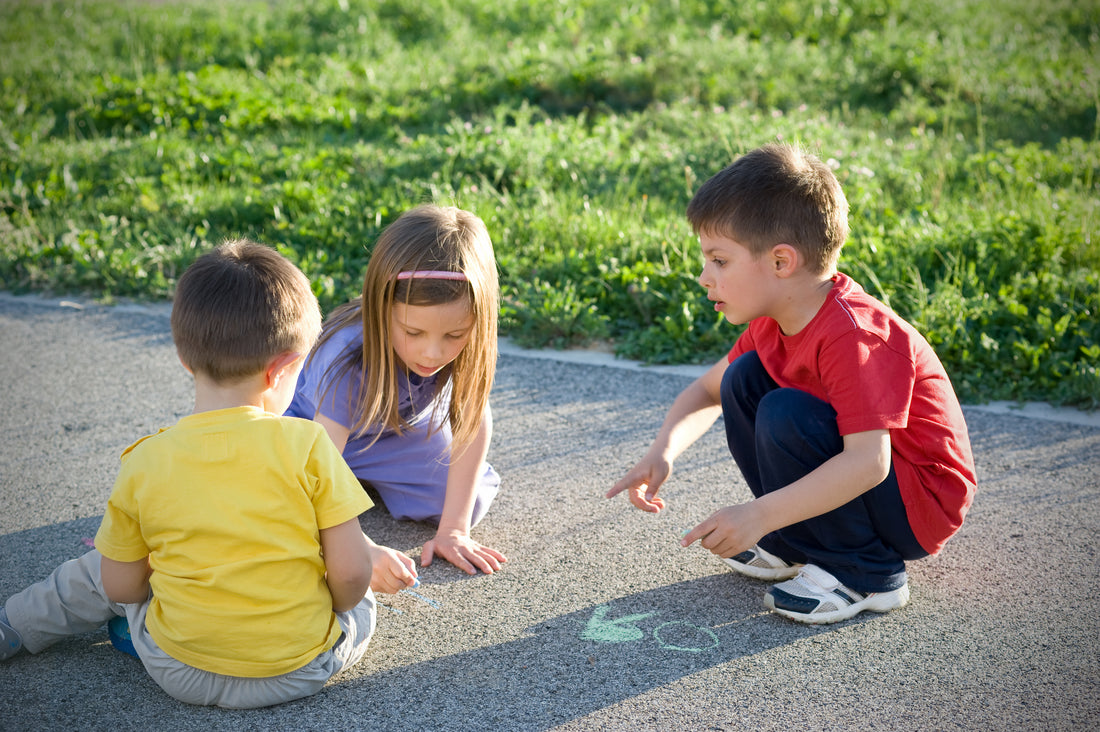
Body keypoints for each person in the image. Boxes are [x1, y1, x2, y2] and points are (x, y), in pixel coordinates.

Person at [0, 240, 417, 707]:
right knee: (358, 598)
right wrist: (330, 603)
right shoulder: (309, 445)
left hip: (177, 669)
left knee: (102, 569)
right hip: (297, 670)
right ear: (281, 371)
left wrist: (156, 581)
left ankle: (14, 626)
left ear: (184, 358)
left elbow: (121, 587)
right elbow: (352, 573)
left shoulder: (145, 460)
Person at [607, 143, 977, 624]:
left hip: (917, 502)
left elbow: (869, 463)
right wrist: (662, 452)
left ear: (782, 262)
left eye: (719, 260)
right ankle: (797, 542)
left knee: (787, 413)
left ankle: (867, 573)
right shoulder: (773, 320)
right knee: (743, 380)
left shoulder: (852, 335)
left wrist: (758, 514)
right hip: (877, 481)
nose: (704, 276)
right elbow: (705, 392)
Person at [285, 204, 507, 576]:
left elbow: (472, 418)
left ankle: (358, 485)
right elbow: (321, 464)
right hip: (313, 434)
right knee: (284, 507)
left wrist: (454, 530)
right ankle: (346, 491)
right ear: (380, 308)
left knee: (469, 499)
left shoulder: (466, 341)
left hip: (388, 432)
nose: (432, 353)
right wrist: (360, 548)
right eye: (413, 332)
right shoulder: (347, 357)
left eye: (453, 335)